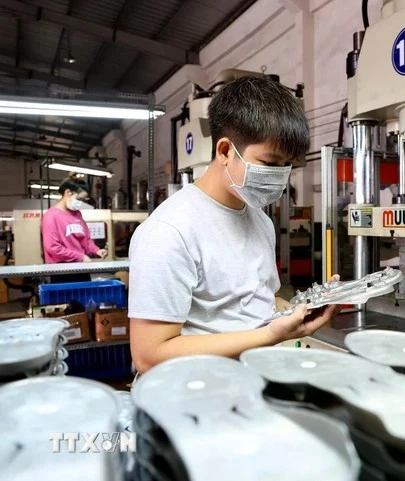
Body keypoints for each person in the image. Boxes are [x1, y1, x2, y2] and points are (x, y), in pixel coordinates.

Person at [128, 76, 340, 374]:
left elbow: (258, 303)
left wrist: (303, 308)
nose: (280, 175)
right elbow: (149, 356)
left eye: (286, 165)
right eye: (270, 163)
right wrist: (268, 336)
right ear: (225, 151)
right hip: (193, 399)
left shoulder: (261, 221)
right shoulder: (170, 230)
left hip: (248, 385)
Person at [41, 175, 108, 282]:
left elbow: (85, 239)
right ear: (68, 193)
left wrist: (97, 250)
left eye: (83, 200)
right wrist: (80, 257)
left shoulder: (77, 214)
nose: (80, 203)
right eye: (79, 199)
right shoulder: (51, 216)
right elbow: (53, 247)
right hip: (61, 271)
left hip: (81, 269)